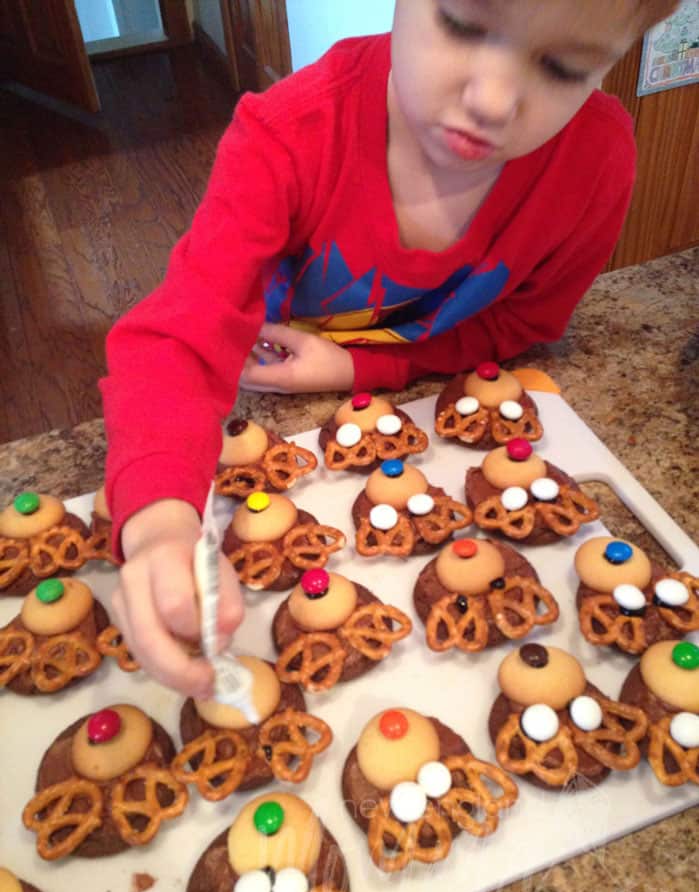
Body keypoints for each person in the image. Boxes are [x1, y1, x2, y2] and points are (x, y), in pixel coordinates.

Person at [100, 0, 680, 697]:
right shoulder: (289, 136)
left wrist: (360, 366)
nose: (491, 100)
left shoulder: (593, 163)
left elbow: (521, 325)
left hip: (407, 388)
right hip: (260, 401)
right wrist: (161, 523)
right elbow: (176, 339)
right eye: (462, 25)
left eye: (562, 65)